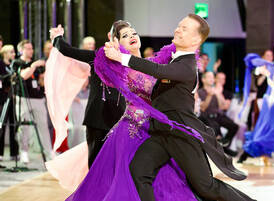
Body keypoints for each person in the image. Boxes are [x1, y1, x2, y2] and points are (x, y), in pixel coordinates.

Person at [105, 14, 255, 201]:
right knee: (139, 170)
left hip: (182, 133)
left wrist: (121, 57)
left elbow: (159, 71)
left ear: (196, 39)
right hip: (162, 132)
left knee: (206, 187)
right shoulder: (175, 61)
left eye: (184, 28)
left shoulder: (187, 65)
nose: (177, 29)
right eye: (179, 26)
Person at [49, 20, 203, 201]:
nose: (131, 36)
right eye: (125, 35)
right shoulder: (119, 67)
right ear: (117, 44)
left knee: (161, 174)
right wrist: (58, 38)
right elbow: (73, 52)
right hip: (130, 130)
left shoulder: (155, 63)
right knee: (124, 176)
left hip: (154, 129)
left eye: (134, 33)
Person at [50, 27, 126, 168]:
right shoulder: (98, 56)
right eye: (122, 35)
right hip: (97, 118)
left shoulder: (130, 61)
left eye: (128, 36)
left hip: (120, 120)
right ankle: (93, 189)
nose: (124, 40)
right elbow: (68, 51)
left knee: (116, 164)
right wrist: (57, 37)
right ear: (111, 36)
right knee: (95, 163)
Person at [14, 40, 53, 163]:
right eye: (28, 48)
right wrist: (34, 65)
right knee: (24, 126)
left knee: (43, 126)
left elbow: (40, 81)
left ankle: (49, 152)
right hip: (23, 98)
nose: (31, 51)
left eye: (31, 48)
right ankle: (24, 151)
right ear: (21, 50)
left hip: (38, 98)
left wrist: (46, 75)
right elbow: (24, 75)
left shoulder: (35, 63)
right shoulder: (17, 63)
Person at [0, 45, 19, 161]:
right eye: (11, 52)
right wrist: (9, 77)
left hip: (13, 98)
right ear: (5, 53)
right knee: (2, 125)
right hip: (3, 98)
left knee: (14, 126)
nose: (14, 54)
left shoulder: (13, 66)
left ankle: (14, 153)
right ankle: (0, 153)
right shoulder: (1, 64)